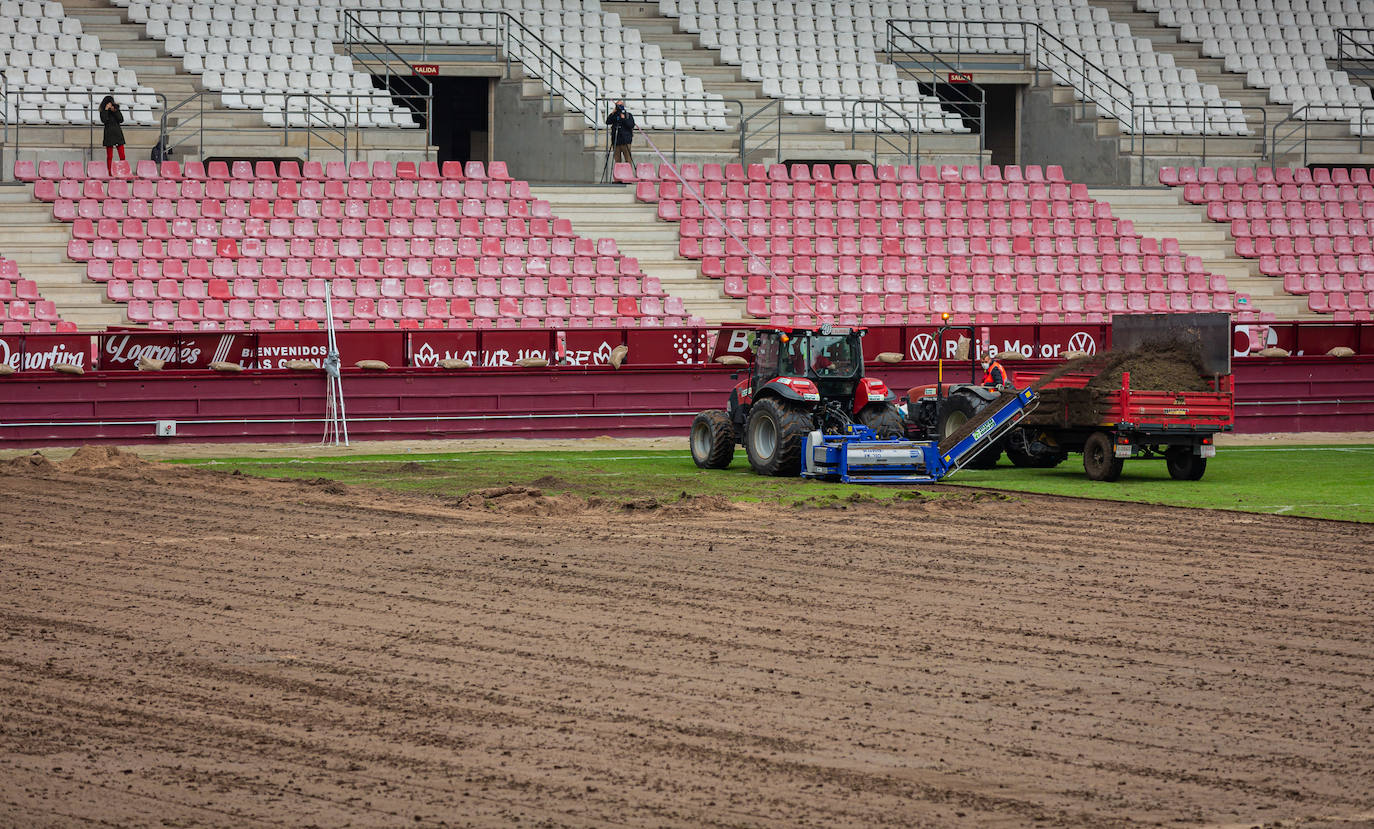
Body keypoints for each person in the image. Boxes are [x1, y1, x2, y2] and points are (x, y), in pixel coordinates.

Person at [605, 100, 635, 166]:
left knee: (628, 160)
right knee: (617, 161)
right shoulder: (615, 115)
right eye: (618, 105)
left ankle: (628, 174)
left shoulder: (628, 115)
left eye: (620, 105)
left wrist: (624, 119)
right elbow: (607, 122)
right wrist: (613, 113)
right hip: (616, 141)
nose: (619, 107)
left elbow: (631, 125)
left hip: (626, 141)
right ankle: (618, 174)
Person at [99, 96, 126, 168]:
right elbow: (104, 120)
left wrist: (115, 111)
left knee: (122, 155)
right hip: (109, 134)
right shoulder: (103, 111)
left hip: (117, 134)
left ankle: (122, 169)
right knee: (110, 156)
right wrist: (106, 110)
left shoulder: (116, 109)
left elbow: (121, 120)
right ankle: (109, 171)